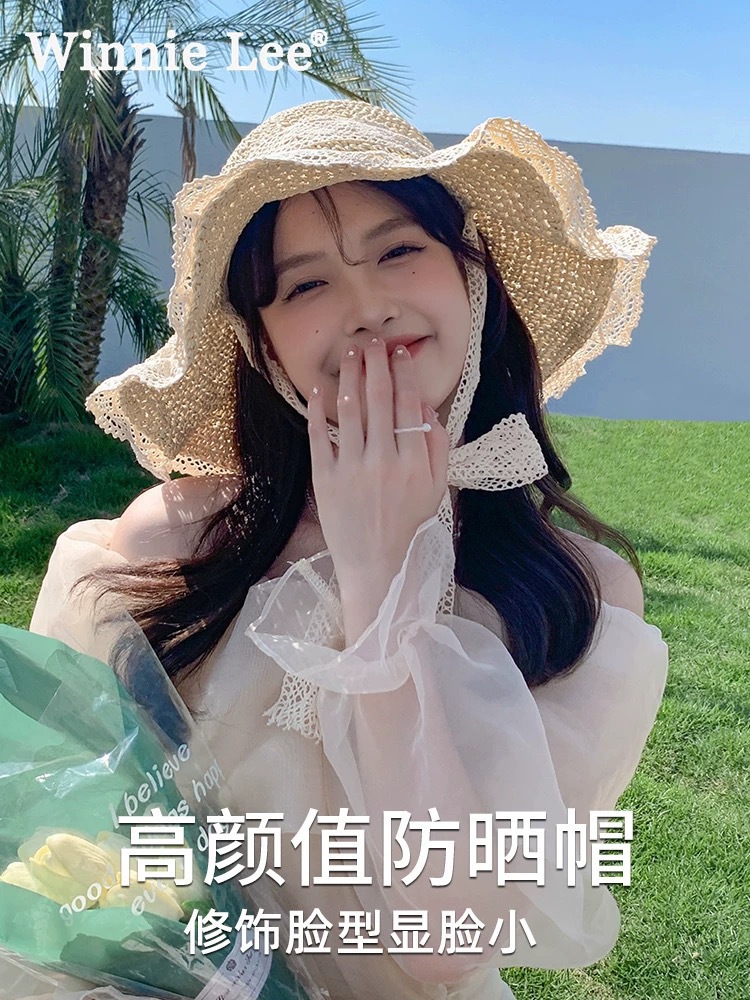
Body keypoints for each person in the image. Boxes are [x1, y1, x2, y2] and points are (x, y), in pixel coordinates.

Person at [17, 99, 668, 1000]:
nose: (367, 309)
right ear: (264, 345)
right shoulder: (176, 543)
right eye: (306, 286)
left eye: (399, 251)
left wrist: (381, 576)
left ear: (473, 279)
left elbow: (444, 938)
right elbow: (63, 835)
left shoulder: (576, 594)